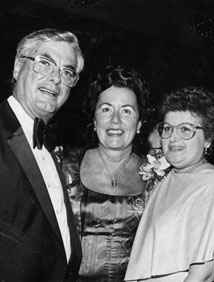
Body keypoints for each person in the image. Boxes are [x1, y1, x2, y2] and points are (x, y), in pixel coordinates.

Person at [0, 28, 85, 282]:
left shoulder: (51, 154)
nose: (56, 79)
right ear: (18, 67)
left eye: (67, 72)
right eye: (45, 63)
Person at [125, 86, 214, 282]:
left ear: (207, 138)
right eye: (167, 129)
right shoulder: (166, 180)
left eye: (185, 129)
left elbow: (204, 272)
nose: (173, 137)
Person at [62, 65, 149, 282]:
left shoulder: (157, 177)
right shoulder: (63, 166)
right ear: (94, 120)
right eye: (106, 109)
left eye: (126, 111)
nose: (116, 121)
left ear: (139, 124)